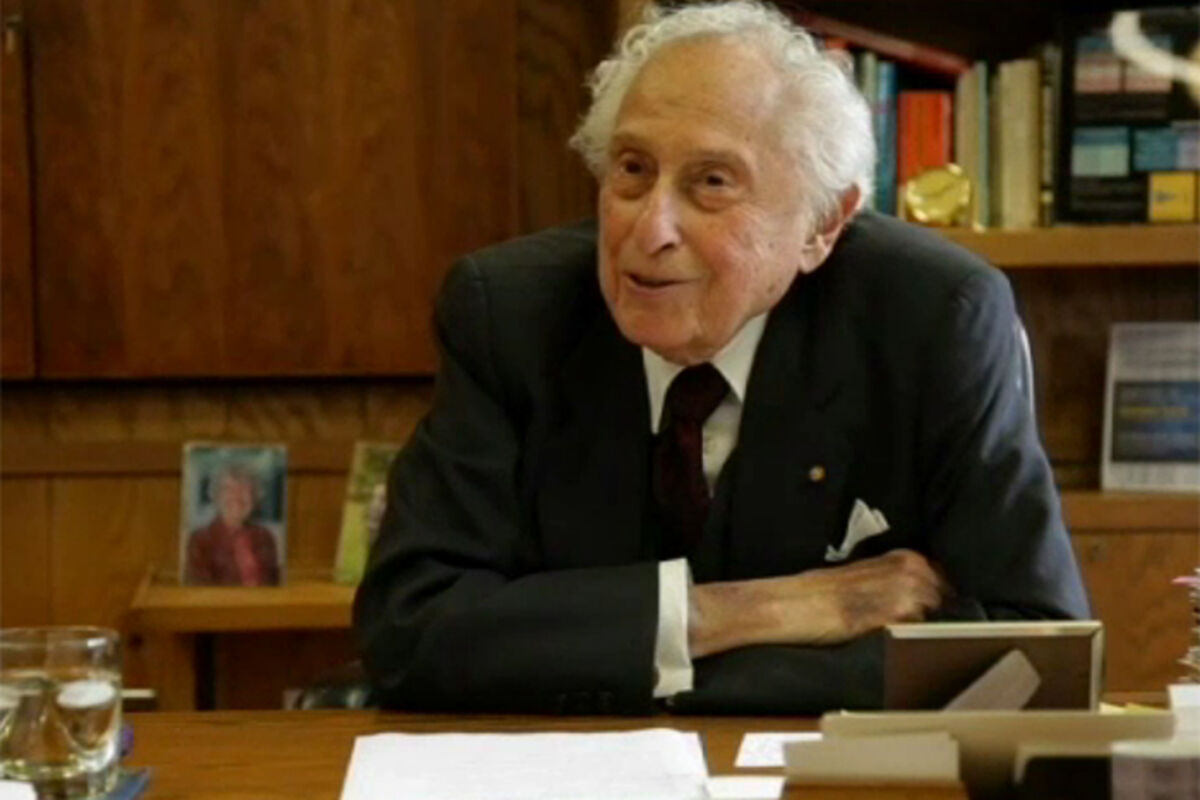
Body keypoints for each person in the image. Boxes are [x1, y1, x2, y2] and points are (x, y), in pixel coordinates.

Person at [354, 0, 1089, 715]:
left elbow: (1030, 650)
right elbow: (411, 628)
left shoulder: (930, 318)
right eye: (633, 169)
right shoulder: (510, 314)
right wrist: (751, 612)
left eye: (711, 183)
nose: (651, 230)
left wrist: (624, 659)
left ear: (822, 225)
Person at [184, 464, 281, 586]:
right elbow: (201, 592)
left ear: (254, 498)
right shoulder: (201, 541)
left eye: (245, 489)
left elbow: (275, 585)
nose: (237, 495)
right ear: (216, 496)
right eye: (228, 489)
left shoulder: (265, 537)